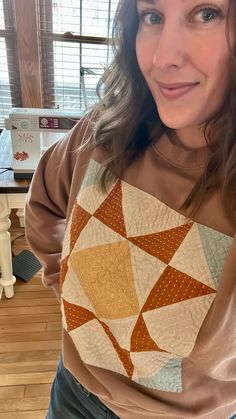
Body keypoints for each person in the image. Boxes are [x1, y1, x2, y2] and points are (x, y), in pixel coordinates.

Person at [25, 0, 236, 418]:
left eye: (207, 13)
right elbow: (44, 204)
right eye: (152, 17)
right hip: (74, 392)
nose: (162, 58)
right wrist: (68, 294)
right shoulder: (103, 129)